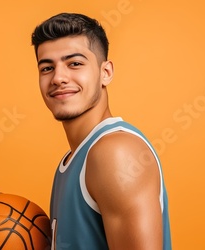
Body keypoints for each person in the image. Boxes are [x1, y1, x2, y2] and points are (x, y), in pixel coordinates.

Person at [30, 13, 172, 249]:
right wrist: (10, 225)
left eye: (74, 63)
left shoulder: (115, 153)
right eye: (47, 68)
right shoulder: (72, 160)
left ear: (105, 73)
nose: (58, 78)